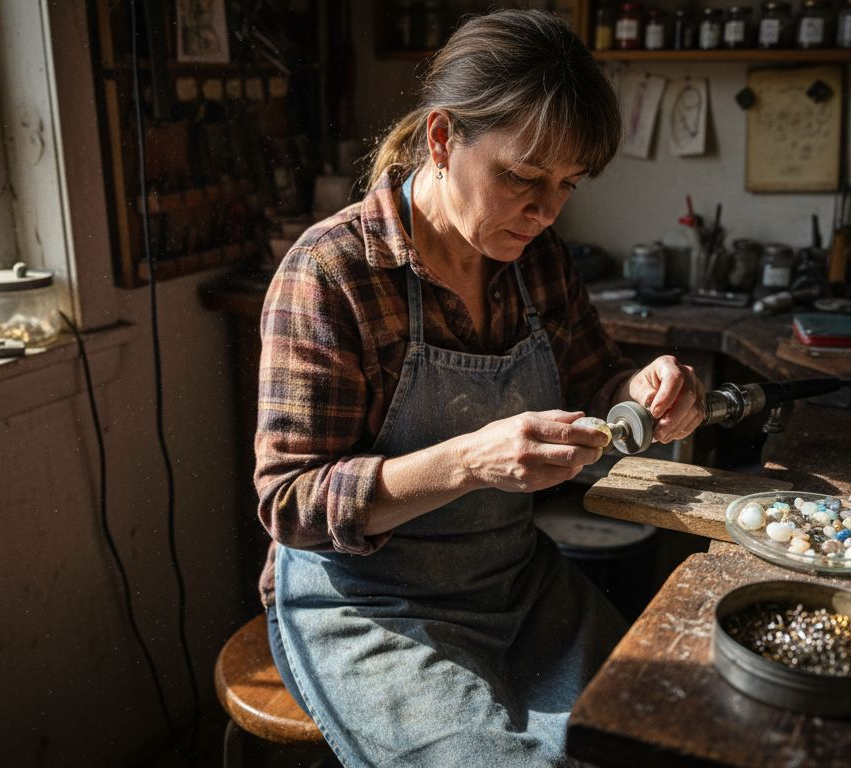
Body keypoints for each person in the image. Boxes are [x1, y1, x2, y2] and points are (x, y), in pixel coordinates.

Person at [254, 9, 706, 766]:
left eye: (566, 183)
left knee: (659, 730)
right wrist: (469, 461)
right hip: (369, 608)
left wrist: (647, 392)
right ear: (441, 139)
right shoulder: (333, 273)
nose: (546, 209)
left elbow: (596, 383)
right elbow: (290, 503)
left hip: (510, 582)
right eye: (523, 177)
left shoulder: (537, 257)